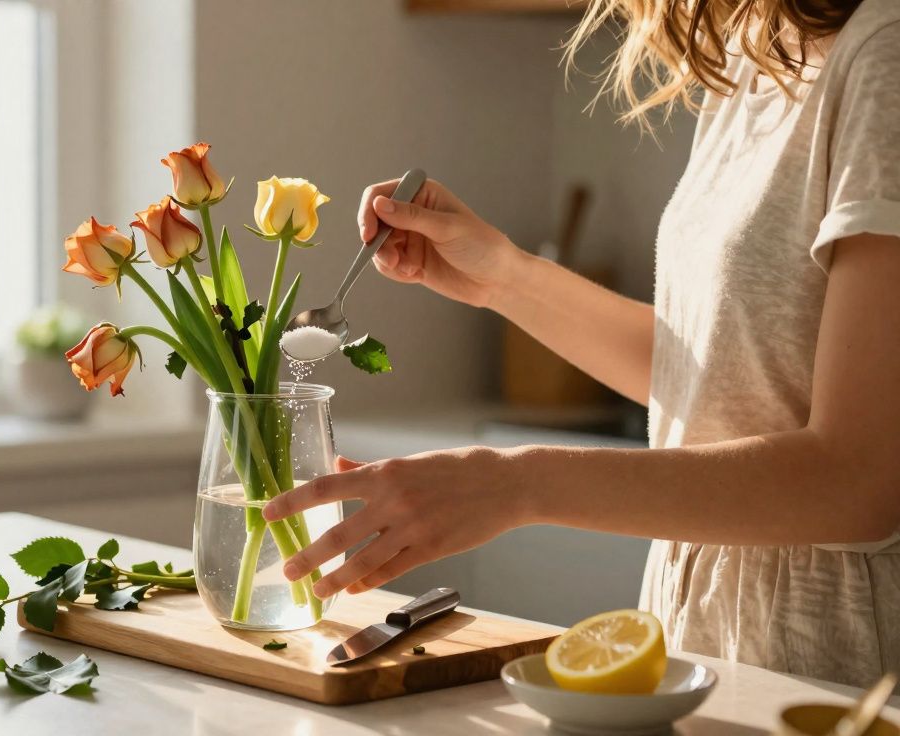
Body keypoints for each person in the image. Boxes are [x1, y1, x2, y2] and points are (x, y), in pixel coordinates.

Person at [263, 0, 900, 687]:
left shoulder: (883, 54)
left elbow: (857, 480)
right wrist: (501, 276)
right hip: (703, 629)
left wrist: (511, 483)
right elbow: (710, 376)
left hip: (830, 655)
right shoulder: (752, 52)